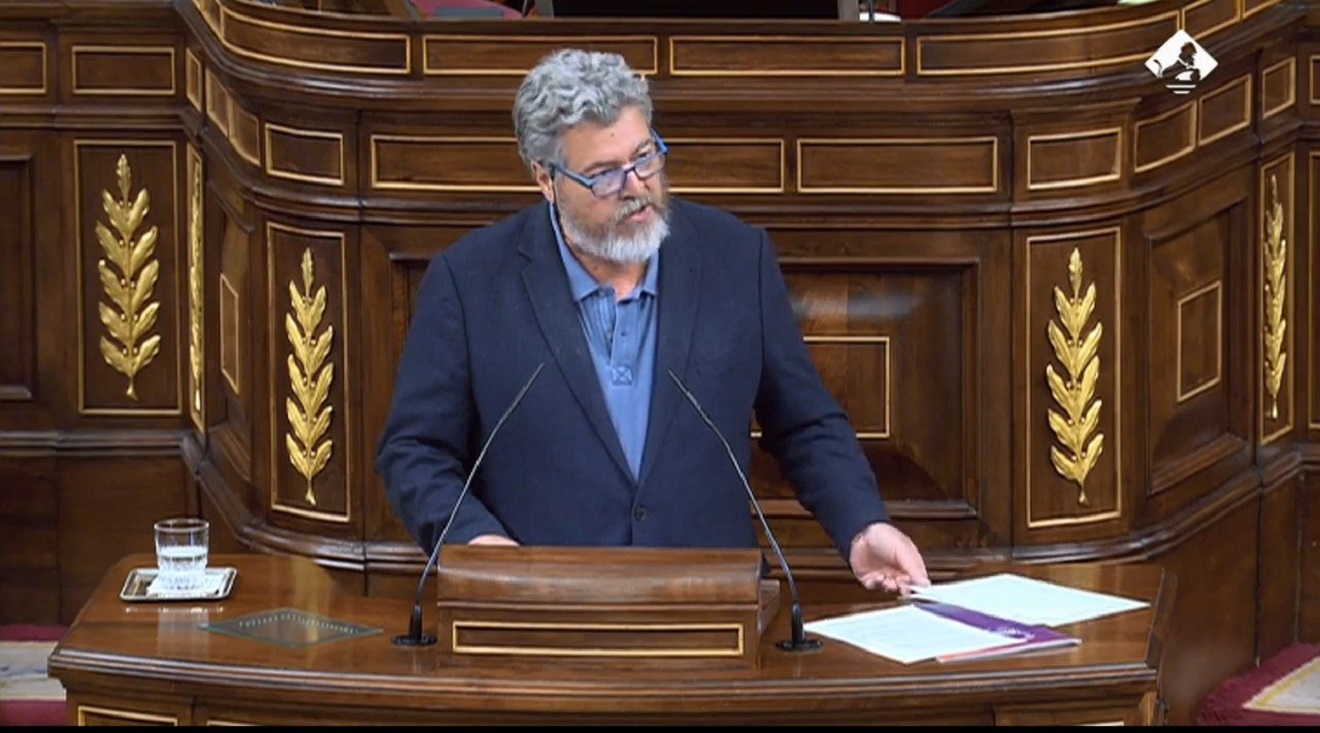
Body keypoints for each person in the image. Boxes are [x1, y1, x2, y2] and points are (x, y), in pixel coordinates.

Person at [375, 48, 929, 595]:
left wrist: (862, 525)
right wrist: (477, 544)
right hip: (545, 608)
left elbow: (805, 423)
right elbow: (415, 452)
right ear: (546, 180)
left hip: (711, 607)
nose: (636, 185)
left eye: (644, 157)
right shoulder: (470, 282)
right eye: (604, 175)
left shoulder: (736, 259)